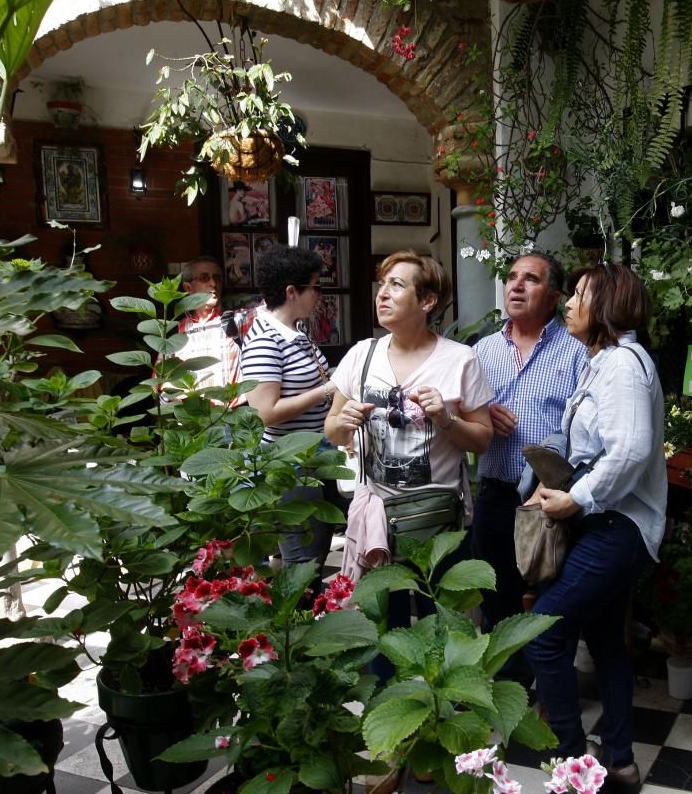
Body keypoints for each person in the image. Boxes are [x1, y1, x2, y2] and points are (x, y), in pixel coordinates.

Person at [523, 263, 666, 791]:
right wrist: (551, 487)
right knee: (605, 643)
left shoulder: (624, 364)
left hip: (618, 526)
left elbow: (630, 450)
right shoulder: (602, 362)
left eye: (578, 294)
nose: (567, 302)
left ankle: (571, 761)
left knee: (544, 634)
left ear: (604, 304)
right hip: (602, 521)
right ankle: (621, 761)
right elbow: (594, 449)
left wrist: (577, 497)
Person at [324, 251, 493, 664]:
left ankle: (441, 709)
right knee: (385, 628)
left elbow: (483, 439)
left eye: (397, 285)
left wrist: (446, 419)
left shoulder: (459, 360)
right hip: (377, 517)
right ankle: (396, 716)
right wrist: (343, 421)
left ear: (428, 301)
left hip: (436, 523)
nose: (383, 294)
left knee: (443, 626)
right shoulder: (361, 356)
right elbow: (332, 430)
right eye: (382, 284)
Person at [471, 253, 586, 688]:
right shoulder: (482, 350)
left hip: (548, 500)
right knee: (497, 599)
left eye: (531, 279)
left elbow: (583, 429)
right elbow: (464, 414)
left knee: (551, 602)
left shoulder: (574, 352)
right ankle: (507, 691)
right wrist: (480, 413)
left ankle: (553, 693)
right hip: (497, 492)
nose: (516, 286)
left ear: (554, 296)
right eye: (513, 278)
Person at [240, 244, 340, 580]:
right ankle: (295, 626)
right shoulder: (265, 340)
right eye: (315, 286)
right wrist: (326, 390)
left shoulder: (294, 333)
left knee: (316, 548)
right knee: (302, 559)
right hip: (289, 464)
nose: (319, 294)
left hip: (314, 454)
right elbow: (265, 413)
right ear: (291, 291)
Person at [174, 255, 256, 407]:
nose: (213, 283)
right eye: (204, 278)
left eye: (217, 278)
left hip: (233, 418)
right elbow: (161, 383)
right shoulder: (176, 332)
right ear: (188, 288)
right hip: (194, 421)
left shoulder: (238, 321)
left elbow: (273, 307)